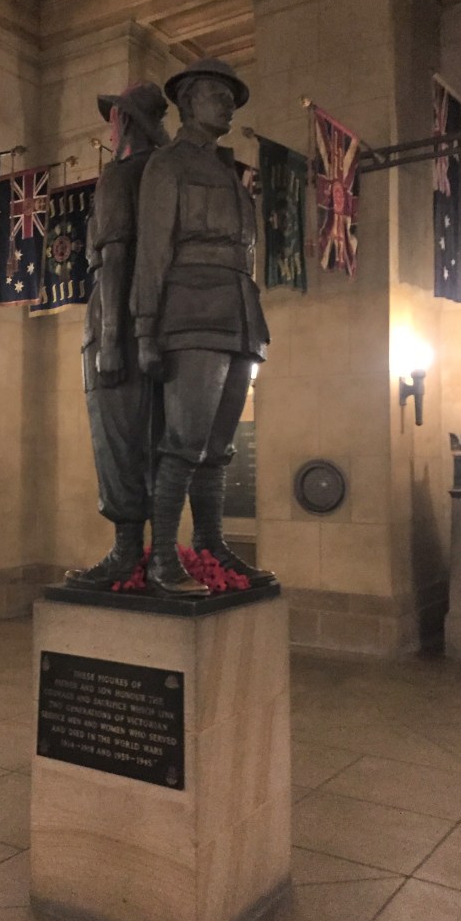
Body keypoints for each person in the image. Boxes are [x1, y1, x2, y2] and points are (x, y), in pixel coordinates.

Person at [130, 58, 276, 596]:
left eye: (231, 98)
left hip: (238, 315)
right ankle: (164, 555)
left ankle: (210, 543)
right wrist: (147, 328)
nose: (228, 105)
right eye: (218, 95)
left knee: (219, 446)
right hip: (191, 314)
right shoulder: (168, 166)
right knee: (184, 441)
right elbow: (152, 252)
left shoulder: (227, 174)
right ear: (188, 102)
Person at [65, 82, 170, 589]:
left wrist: (108, 340)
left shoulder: (120, 176)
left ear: (125, 124)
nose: (110, 128)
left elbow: (113, 257)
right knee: (159, 445)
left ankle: (128, 551)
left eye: (113, 119)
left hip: (118, 331)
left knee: (119, 441)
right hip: (164, 332)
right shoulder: (170, 179)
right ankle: (161, 549)